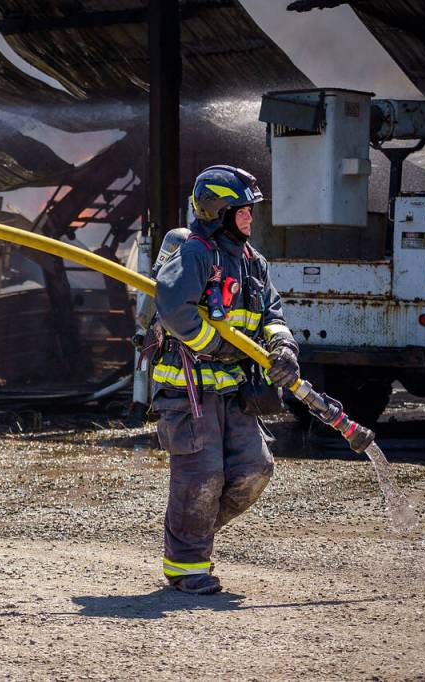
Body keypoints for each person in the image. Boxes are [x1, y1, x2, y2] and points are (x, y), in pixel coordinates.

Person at [151, 165, 300, 594]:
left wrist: (283, 349)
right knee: (202, 476)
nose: (251, 218)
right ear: (218, 212)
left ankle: (188, 531)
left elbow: (272, 315)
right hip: (189, 390)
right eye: (243, 211)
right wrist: (212, 346)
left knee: (256, 469)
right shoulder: (195, 253)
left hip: (234, 389)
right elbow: (175, 309)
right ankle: (186, 566)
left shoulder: (253, 263)